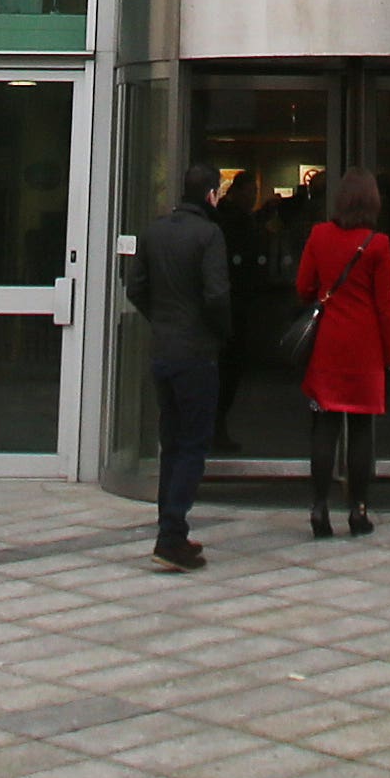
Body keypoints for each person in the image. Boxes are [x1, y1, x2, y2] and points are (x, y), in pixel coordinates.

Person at [130, 163, 231, 571]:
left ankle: (169, 528)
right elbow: (217, 295)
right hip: (196, 354)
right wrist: (221, 333)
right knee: (192, 444)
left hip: (164, 351)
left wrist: (162, 320)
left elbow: (135, 287)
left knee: (171, 444)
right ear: (210, 194)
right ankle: (171, 534)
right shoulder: (209, 235)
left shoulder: (154, 232)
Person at [292, 164, 390, 538]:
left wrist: (324, 294)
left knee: (324, 426)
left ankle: (319, 507)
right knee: (361, 428)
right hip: (365, 346)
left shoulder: (319, 235)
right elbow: (386, 306)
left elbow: (303, 286)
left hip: (328, 342)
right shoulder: (378, 244)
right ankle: (358, 510)